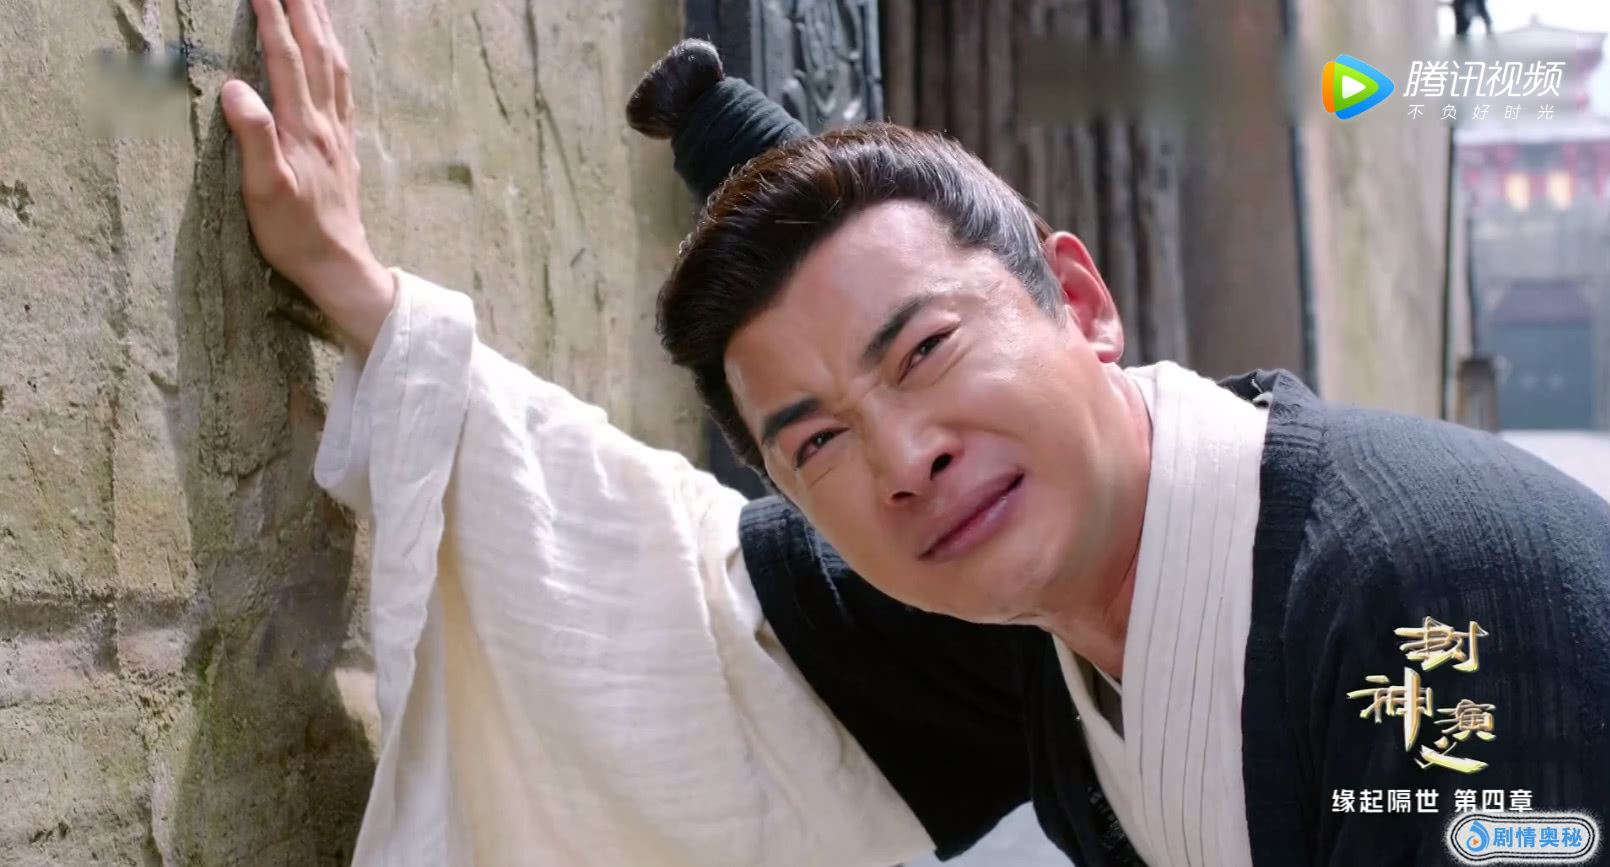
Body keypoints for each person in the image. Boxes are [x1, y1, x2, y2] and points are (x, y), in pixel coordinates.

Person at [219, 3, 1610, 865]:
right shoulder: (1018, 611)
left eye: (927, 349)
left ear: (1080, 300)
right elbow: (670, 596)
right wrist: (365, 297)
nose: (903, 459)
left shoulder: (1439, 593)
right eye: (814, 441)